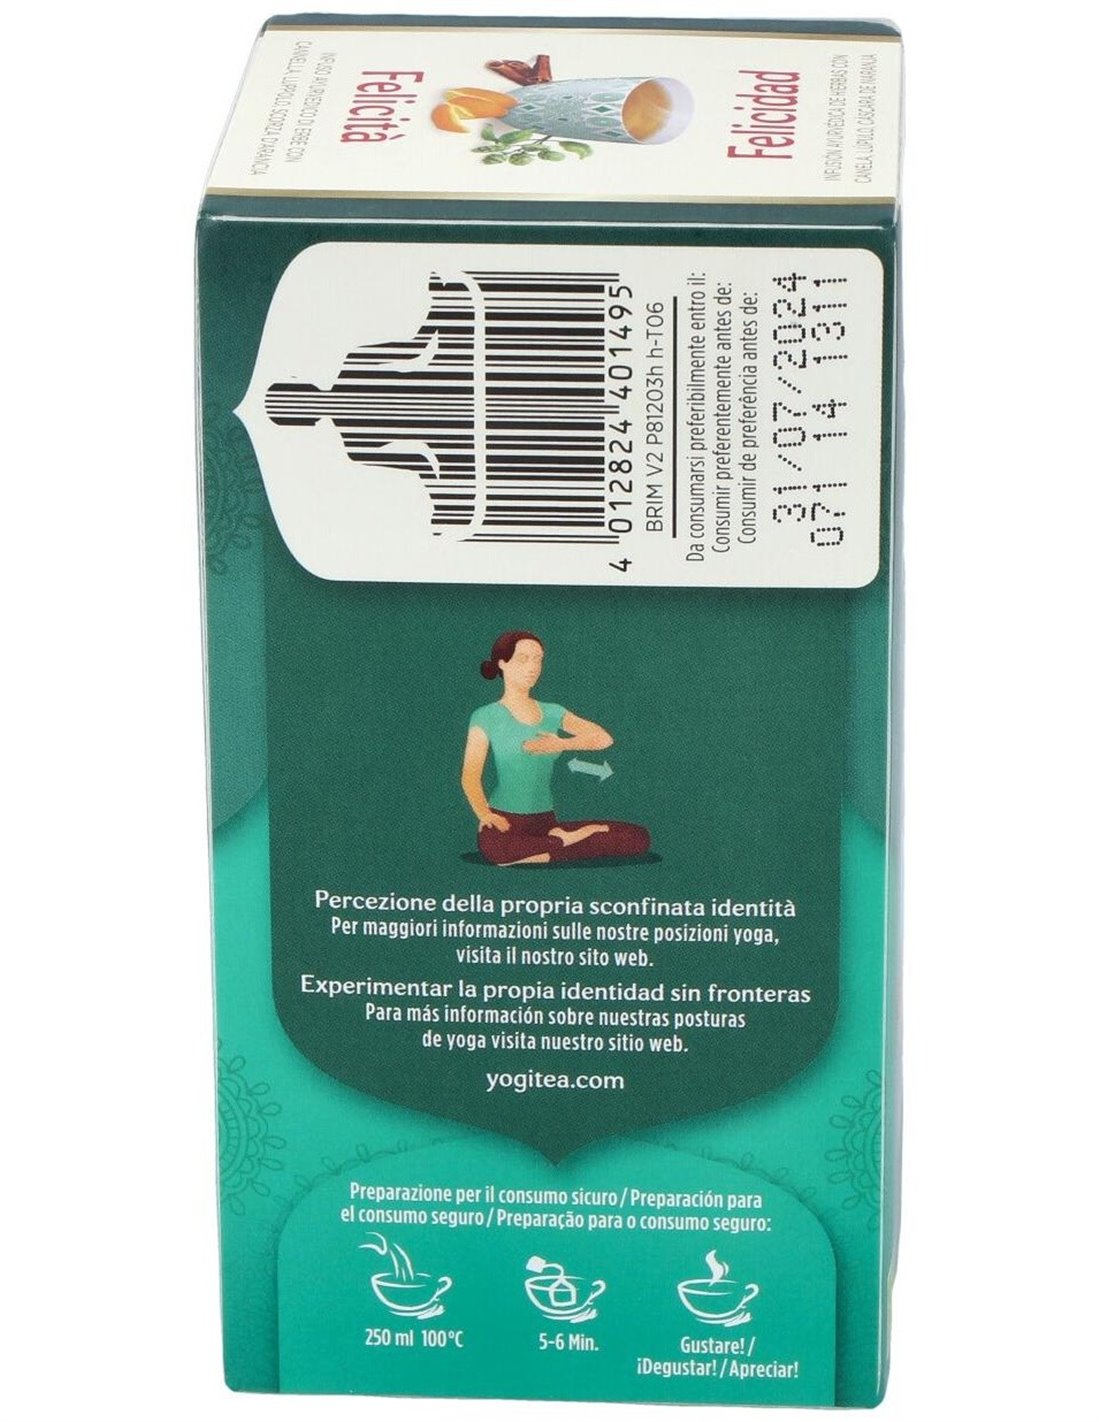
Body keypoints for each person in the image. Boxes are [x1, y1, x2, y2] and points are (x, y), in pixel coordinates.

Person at [461, 630, 651, 866]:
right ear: (502, 663)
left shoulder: (552, 712)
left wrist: (561, 743)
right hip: (505, 823)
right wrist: (484, 814)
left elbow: (603, 738)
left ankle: (548, 848)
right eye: (523, 659)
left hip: (545, 823)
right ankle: (563, 843)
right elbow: (470, 776)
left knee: (638, 838)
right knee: (497, 850)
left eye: (538, 659)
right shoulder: (485, 716)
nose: (533, 667)